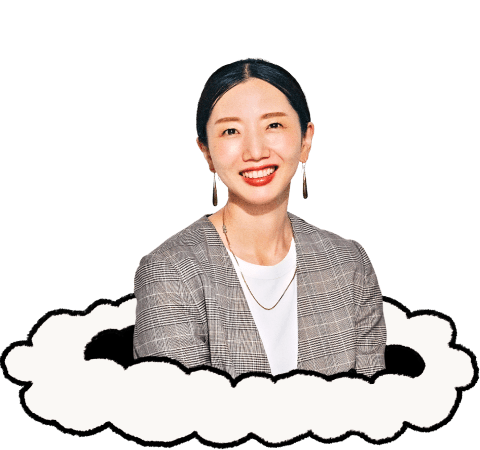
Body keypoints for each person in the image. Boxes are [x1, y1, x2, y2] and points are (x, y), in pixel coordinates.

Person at [133, 57, 386, 378]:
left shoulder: (349, 263)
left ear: (306, 140)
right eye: (231, 131)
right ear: (206, 151)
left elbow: (372, 399)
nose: (255, 151)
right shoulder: (170, 271)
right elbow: (178, 406)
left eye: (273, 125)